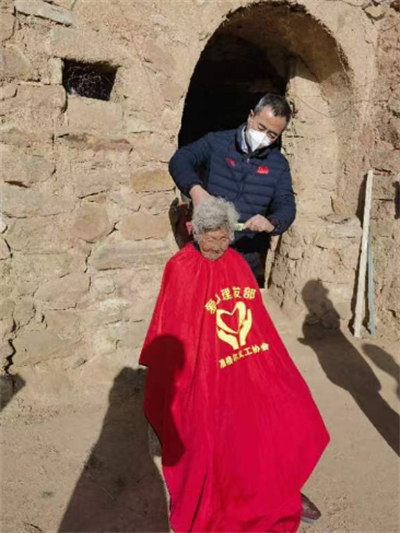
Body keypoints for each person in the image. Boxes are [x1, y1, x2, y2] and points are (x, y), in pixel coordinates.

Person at [140, 198, 329, 533]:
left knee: (293, 408)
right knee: (211, 428)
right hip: (202, 369)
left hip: (246, 360)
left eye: (224, 237)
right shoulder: (181, 268)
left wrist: (265, 366)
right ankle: (239, 493)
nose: (217, 245)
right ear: (196, 233)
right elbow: (177, 330)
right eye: (210, 238)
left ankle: (283, 485)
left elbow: (257, 324)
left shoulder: (238, 263)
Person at [169, 94, 296, 285]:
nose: (263, 137)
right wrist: (196, 191)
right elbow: (180, 160)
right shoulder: (217, 143)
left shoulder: (279, 164)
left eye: (272, 135)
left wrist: (272, 222)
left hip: (246, 256)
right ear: (251, 116)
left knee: (237, 302)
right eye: (261, 127)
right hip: (206, 246)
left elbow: (286, 204)